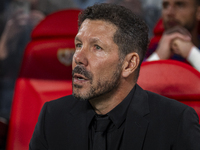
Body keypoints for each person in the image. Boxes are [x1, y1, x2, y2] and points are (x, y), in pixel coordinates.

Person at [29, 3, 200, 150]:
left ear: (129, 64)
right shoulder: (52, 116)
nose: (78, 58)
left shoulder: (176, 122)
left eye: (97, 47)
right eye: (79, 45)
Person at [145, 0, 200, 72]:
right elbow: (132, 82)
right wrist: (158, 56)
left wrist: (191, 53)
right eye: (166, 5)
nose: (169, 12)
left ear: (198, 12)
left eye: (180, 5)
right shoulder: (148, 49)